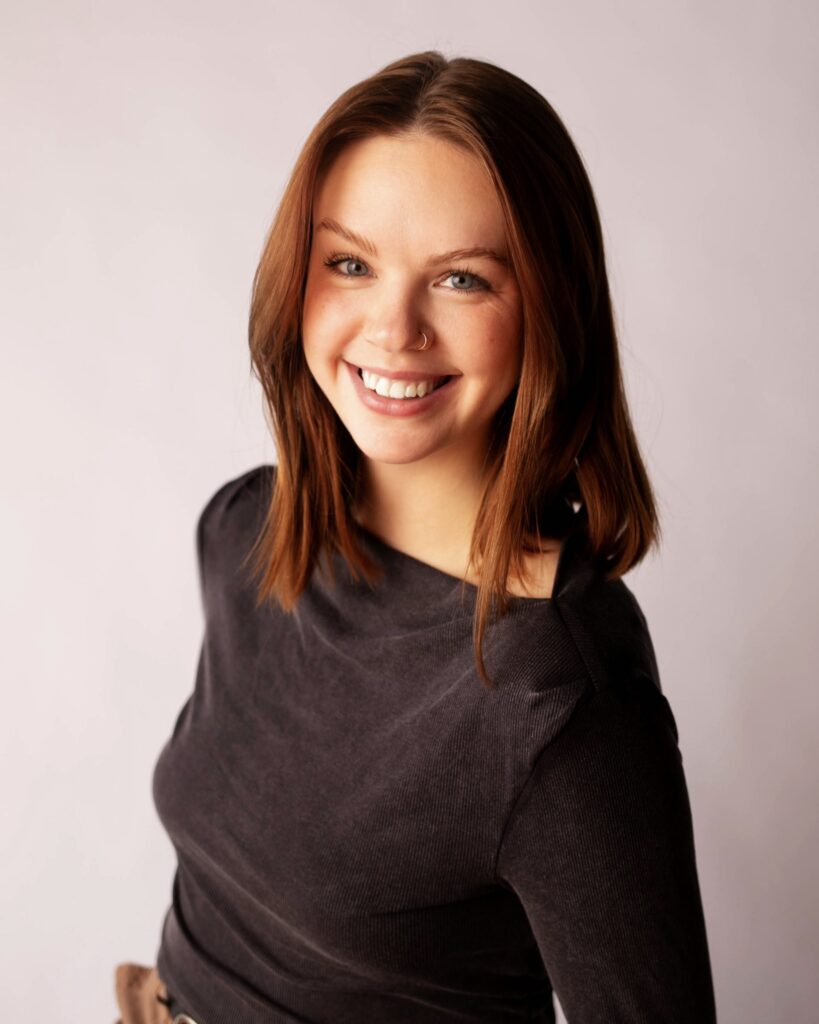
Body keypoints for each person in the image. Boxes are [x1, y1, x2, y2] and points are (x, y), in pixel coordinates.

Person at [114, 51, 717, 1024]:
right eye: (349, 262)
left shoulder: (560, 694)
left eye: (463, 280)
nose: (394, 328)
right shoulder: (245, 531)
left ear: (549, 310)